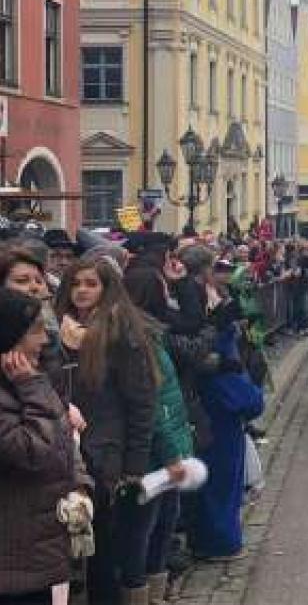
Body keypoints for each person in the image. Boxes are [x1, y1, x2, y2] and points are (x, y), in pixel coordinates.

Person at [55, 257, 160, 605]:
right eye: (76, 283)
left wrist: (134, 465)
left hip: (104, 455)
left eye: (91, 283)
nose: (82, 290)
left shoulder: (121, 333)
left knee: (101, 552)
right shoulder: (55, 331)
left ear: (106, 289)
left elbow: (141, 403)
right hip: (63, 451)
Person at [0, 288, 92, 605]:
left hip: (39, 553)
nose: (44, 340)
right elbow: (32, 452)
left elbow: (63, 436)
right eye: (35, 331)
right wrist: (33, 389)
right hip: (14, 563)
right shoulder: (28, 385)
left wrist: (80, 486)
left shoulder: (31, 380)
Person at [121, 267, 195, 605]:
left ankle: (155, 588)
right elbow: (150, 401)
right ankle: (140, 593)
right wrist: (171, 453)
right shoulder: (138, 339)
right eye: (163, 289)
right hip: (155, 452)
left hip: (167, 443)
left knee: (163, 522)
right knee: (145, 528)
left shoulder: (152, 334)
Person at [192, 320, 263, 561]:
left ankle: (205, 541)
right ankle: (222, 543)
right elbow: (251, 402)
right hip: (221, 432)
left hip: (202, 426)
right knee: (221, 489)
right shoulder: (220, 363)